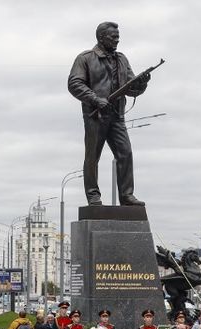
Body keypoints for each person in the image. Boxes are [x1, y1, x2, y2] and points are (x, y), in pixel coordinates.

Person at [67, 21, 150, 206]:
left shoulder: (122, 59)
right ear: (101, 37)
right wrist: (96, 99)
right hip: (95, 116)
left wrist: (142, 83)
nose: (117, 40)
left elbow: (130, 87)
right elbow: (74, 84)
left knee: (125, 153)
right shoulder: (86, 58)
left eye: (118, 36)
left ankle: (127, 195)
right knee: (92, 157)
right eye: (113, 37)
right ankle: (93, 195)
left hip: (117, 116)